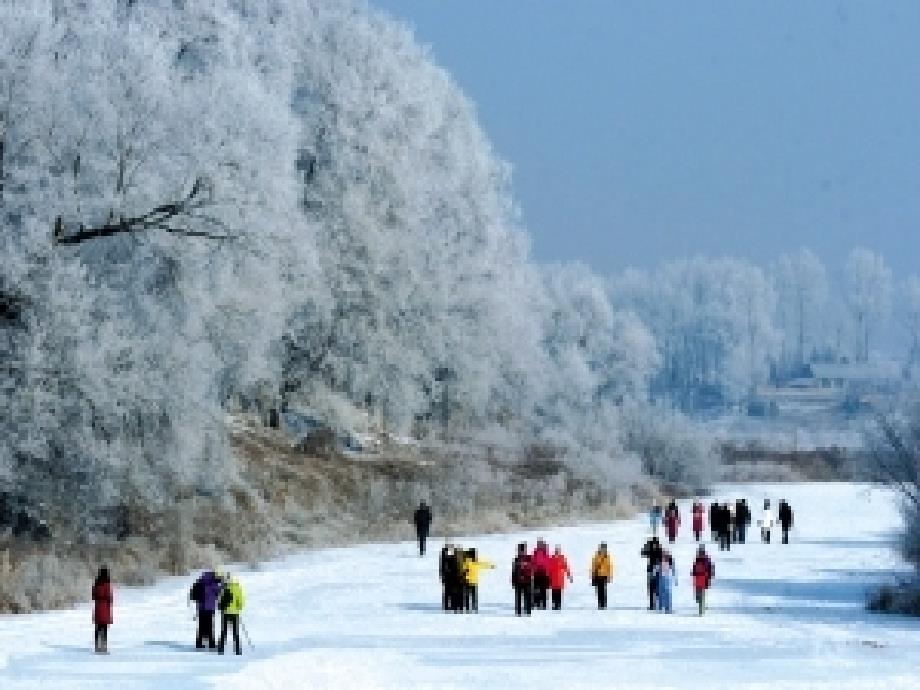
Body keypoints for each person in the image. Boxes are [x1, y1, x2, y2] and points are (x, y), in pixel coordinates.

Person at [190, 569, 223, 649]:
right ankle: (211, 643)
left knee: (201, 626)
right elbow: (218, 591)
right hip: (209, 607)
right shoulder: (212, 584)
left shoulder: (200, 582)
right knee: (210, 626)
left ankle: (199, 643)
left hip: (201, 607)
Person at [217, 572, 245, 655]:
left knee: (223, 631)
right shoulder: (237, 588)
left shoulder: (224, 588)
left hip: (225, 612)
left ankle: (221, 649)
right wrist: (238, 607)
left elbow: (219, 600)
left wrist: (221, 608)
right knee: (235, 632)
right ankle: (237, 650)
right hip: (234, 613)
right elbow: (242, 601)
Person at [462, 548, 495, 613]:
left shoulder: (465, 562)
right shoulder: (476, 563)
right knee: (474, 595)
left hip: (467, 581)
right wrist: (491, 566)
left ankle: (467, 607)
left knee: (467, 595)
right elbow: (484, 564)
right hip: (474, 581)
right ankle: (474, 606)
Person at [92, 567, 113, 654]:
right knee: (104, 629)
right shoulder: (107, 585)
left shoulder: (96, 584)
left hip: (97, 607)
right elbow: (110, 598)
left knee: (97, 628)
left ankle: (97, 646)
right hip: (105, 607)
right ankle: (104, 647)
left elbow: (93, 596)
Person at [640, 535, 663, 610]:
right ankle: (652, 605)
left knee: (657, 588)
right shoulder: (651, 550)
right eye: (653, 544)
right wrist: (646, 545)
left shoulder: (659, 551)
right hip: (650, 571)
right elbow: (642, 553)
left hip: (658, 571)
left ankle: (657, 604)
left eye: (655, 544)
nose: (654, 545)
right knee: (651, 588)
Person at [511, 542, 534, 616]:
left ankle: (528, 611)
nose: (521, 551)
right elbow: (514, 571)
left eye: (522, 549)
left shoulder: (529, 558)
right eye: (520, 549)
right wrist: (513, 581)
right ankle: (518, 612)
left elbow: (533, 568)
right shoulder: (516, 559)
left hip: (527, 581)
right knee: (518, 598)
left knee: (527, 597)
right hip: (518, 581)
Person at [691, 545, 714, 615]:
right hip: (698, 579)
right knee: (698, 595)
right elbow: (694, 568)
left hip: (702, 579)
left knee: (701, 595)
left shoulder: (706, 560)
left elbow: (710, 570)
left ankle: (701, 610)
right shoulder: (698, 559)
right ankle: (701, 607)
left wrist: (709, 579)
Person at [548, 545, 573, 610]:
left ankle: (558, 605)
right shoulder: (552, 559)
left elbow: (566, 568)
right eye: (556, 551)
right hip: (553, 579)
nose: (557, 552)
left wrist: (569, 576)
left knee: (558, 593)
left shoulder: (562, 558)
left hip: (559, 579)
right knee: (554, 593)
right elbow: (548, 569)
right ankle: (555, 605)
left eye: (558, 551)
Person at [590, 542, 613, 610]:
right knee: (599, 591)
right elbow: (593, 566)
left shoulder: (606, 556)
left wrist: (609, 575)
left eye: (604, 548)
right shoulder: (597, 556)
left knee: (603, 590)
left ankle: (603, 604)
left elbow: (609, 567)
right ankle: (600, 604)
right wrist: (593, 575)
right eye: (602, 548)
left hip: (604, 576)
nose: (603, 549)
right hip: (598, 575)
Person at [531, 540, 551, 610]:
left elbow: (548, 563)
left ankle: (541, 603)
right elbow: (533, 562)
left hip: (542, 573)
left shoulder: (544, 553)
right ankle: (538, 603)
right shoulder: (537, 552)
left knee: (541, 589)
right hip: (539, 573)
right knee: (539, 589)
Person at [439, 543, 453, 611]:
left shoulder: (443, 558)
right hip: (448, 576)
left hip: (447, 576)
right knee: (448, 591)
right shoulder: (446, 559)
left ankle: (447, 605)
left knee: (447, 591)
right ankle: (447, 605)